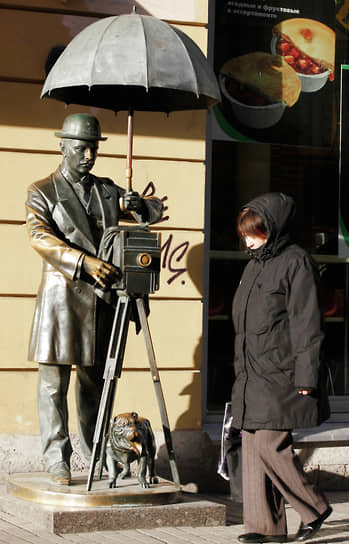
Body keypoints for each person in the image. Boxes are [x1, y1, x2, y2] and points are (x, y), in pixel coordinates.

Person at [25, 113, 163, 485]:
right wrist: (84, 261)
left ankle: (95, 450)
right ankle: (57, 458)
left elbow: (153, 212)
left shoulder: (106, 189)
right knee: (54, 385)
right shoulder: (42, 191)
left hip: (100, 304)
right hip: (61, 301)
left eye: (94, 148)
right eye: (81, 148)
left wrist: (139, 204)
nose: (89, 155)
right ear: (64, 147)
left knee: (95, 383)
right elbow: (40, 237)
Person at [230, 192, 332, 543]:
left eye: (256, 233)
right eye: (245, 234)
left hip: (282, 373)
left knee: (270, 444)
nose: (249, 240)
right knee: (254, 444)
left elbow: (307, 324)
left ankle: (314, 508)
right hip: (252, 373)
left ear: (274, 228)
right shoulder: (254, 264)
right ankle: (265, 528)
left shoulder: (296, 262)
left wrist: (307, 375)